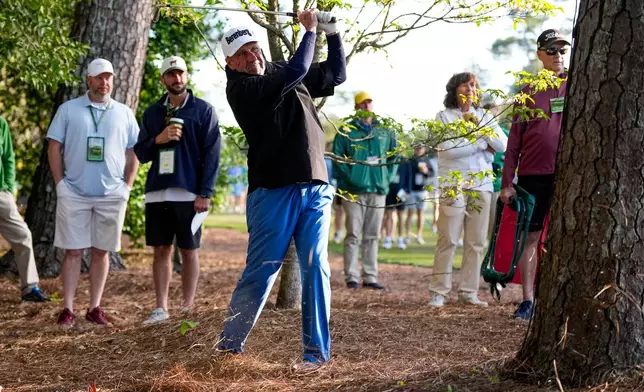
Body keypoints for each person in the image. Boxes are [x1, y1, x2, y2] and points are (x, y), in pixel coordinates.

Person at [216, 10, 346, 368]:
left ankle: (316, 356)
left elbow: (336, 73)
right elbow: (297, 69)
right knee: (262, 270)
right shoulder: (242, 89)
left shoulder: (279, 70)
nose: (253, 56)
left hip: (315, 184)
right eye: (243, 53)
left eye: (255, 48)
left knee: (315, 266)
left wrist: (332, 33)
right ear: (230, 62)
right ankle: (228, 347)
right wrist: (309, 31)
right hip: (273, 190)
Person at [47, 58, 140, 327]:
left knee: (101, 252)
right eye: (99, 77)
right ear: (88, 79)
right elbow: (54, 146)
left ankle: (94, 307)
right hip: (73, 191)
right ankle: (68, 309)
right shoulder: (68, 109)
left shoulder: (123, 112)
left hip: (112, 194)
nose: (104, 82)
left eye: (108, 77)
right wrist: (59, 184)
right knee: (73, 252)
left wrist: (127, 186)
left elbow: (133, 150)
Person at [134, 56, 222, 325]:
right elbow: (141, 153)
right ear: (163, 79)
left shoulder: (203, 110)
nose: (177, 79)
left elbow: (213, 154)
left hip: (189, 194)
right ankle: (160, 309)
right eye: (171, 74)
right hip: (157, 192)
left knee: (188, 250)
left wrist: (205, 192)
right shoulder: (152, 113)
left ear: (187, 76)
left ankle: (187, 308)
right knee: (161, 250)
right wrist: (158, 139)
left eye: (181, 73)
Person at [500, 29, 570, 320]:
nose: (558, 56)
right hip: (532, 176)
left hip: (570, 173)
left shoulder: (579, 84)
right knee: (531, 237)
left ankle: (561, 299)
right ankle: (528, 301)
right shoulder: (527, 92)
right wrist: (507, 184)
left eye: (562, 50)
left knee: (567, 237)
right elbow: (513, 143)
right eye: (551, 50)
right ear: (540, 54)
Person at [429, 72, 507, 307]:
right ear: (454, 90)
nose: (470, 90)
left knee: (476, 242)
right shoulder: (443, 117)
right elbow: (449, 150)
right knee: (449, 238)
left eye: (473, 86)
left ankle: (468, 292)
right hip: (453, 184)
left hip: (481, 183)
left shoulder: (485, 116)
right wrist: (481, 144)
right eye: (464, 86)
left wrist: (477, 134)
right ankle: (439, 292)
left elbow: (502, 145)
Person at [333, 91, 398, 290]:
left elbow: (393, 157)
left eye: (369, 102)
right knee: (353, 233)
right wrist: (351, 176)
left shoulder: (385, 130)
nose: (366, 106)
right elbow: (337, 158)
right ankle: (351, 276)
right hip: (352, 191)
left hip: (378, 189)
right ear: (356, 107)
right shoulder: (346, 130)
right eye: (362, 103)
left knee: (372, 235)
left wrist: (385, 178)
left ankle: (370, 276)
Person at [0, 117, 50, 302]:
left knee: (23, 236)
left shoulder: (1, 123)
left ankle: (29, 288)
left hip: (1, 194)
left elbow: (8, 157)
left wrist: (7, 187)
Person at [482, 102, 510, 240]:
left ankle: (491, 257)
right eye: (490, 115)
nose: (493, 118)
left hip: (497, 186)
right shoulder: (478, 134)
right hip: (479, 185)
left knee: (494, 226)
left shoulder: (505, 135)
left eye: (495, 115)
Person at [402, 145, 437, 245]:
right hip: (411, 190)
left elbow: (431, 173)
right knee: (410, 213)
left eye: (420, 148)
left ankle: (419, 235)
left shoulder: (426, 160)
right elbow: (406, 174)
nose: (419, 150)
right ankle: (407, 235)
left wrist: (426, 172)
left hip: (422, 191)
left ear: (424, 149)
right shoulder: (411, 160)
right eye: (417, 148)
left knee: (420, 213)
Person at [382, 152, 407, 250]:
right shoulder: (389, 159)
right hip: (390, 191)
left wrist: (407, 191)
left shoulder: (405, 160)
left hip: (402, 192)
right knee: (388, 215)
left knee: (401, 216)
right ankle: (388, 238)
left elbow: (408, 176)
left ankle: (400, 239)